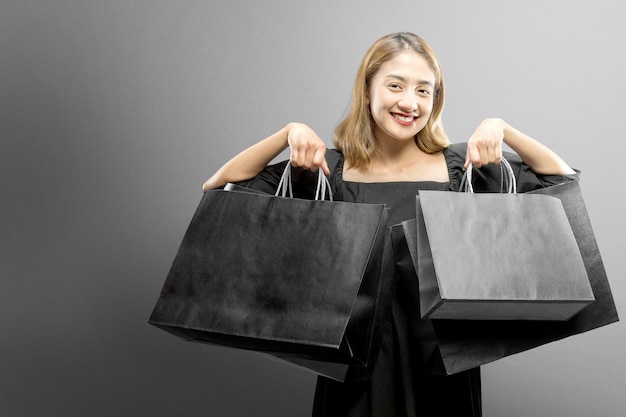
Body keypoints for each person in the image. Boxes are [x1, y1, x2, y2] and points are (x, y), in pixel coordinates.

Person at [203, 32, 577, 417]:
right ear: (367, 91)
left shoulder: (460, 168)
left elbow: (560, 180)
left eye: (423, 91)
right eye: (395, 85)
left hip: (441, 365)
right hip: (356, 366)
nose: (409, 102)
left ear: (435, 100)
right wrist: (286, 134)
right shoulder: (329, 170)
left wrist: (504, 127)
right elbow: (219, 185)